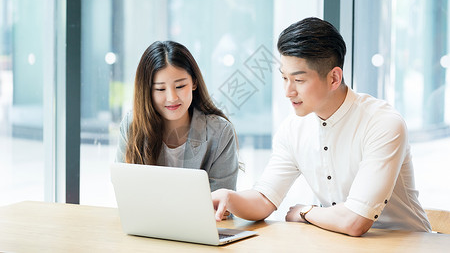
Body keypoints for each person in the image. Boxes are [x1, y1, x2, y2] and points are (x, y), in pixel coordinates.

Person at [211, 17, 431, 236]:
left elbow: (355, 221)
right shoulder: (292, 129)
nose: (288, 91)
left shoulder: (382, 123)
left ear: (334, 78)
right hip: (340, 244)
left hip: (407, 243)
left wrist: (306, 212)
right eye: (284, 78)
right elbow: (263, 199)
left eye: (299, 80)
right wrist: (229, 198)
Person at [116, 40, 239, 192]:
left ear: (194, 83)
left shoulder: (220, 131)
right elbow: (124, 189)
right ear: (147, 91)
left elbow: (222, 203)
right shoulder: (132, 125)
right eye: (160, 89)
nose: (172, 97)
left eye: (180, 86)